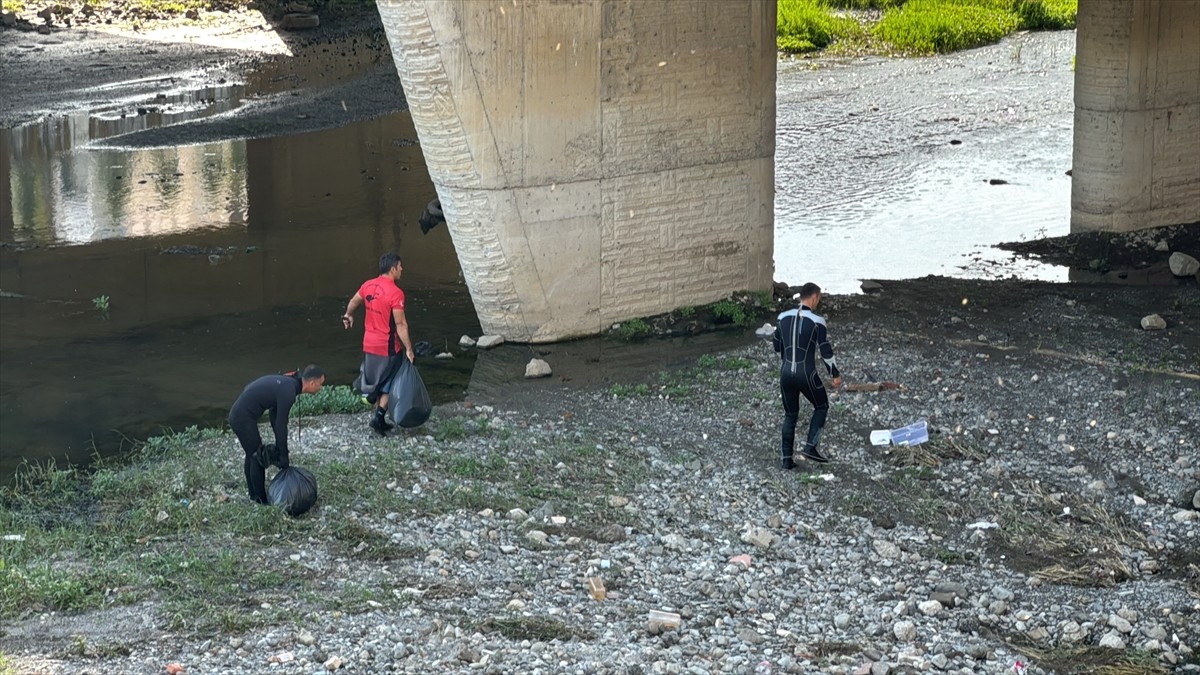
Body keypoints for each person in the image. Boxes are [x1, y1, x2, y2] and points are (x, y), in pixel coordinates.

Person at [228, 365, 326, 503]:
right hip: (241, 417)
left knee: (252, 453)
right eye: (320, 385)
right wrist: (284, 455)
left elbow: (274, 415)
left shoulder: (289, 383)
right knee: (257, 456)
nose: (320, 388)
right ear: (312, 383)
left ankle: (253, 494)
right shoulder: (289, 391)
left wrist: (281, 450)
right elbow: (280, 424)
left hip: (240, 413)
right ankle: (260, 500)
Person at [342, 252, 415, 435]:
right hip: (387, 345)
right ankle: (379, 416)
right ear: (392, 269)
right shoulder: (396, 293)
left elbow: (354, 301)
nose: (401, 269)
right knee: (391, 379)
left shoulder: (368, 285)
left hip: (369, 343)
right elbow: (400, 324)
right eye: (400, 266)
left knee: (377, 377)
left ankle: (376, 410)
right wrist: (409, 349)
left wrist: (348, 315)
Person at [773, 283, 841, 468]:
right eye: (819, 299)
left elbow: (776, 346)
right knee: (821, 405)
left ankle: (787, 460)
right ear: (815, 297)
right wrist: (835, 374)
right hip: (806, 374)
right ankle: (810, 447)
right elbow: (825, 351)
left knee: (790, 414)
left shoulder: (781, 317)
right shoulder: (818, 321)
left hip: (786, 373)